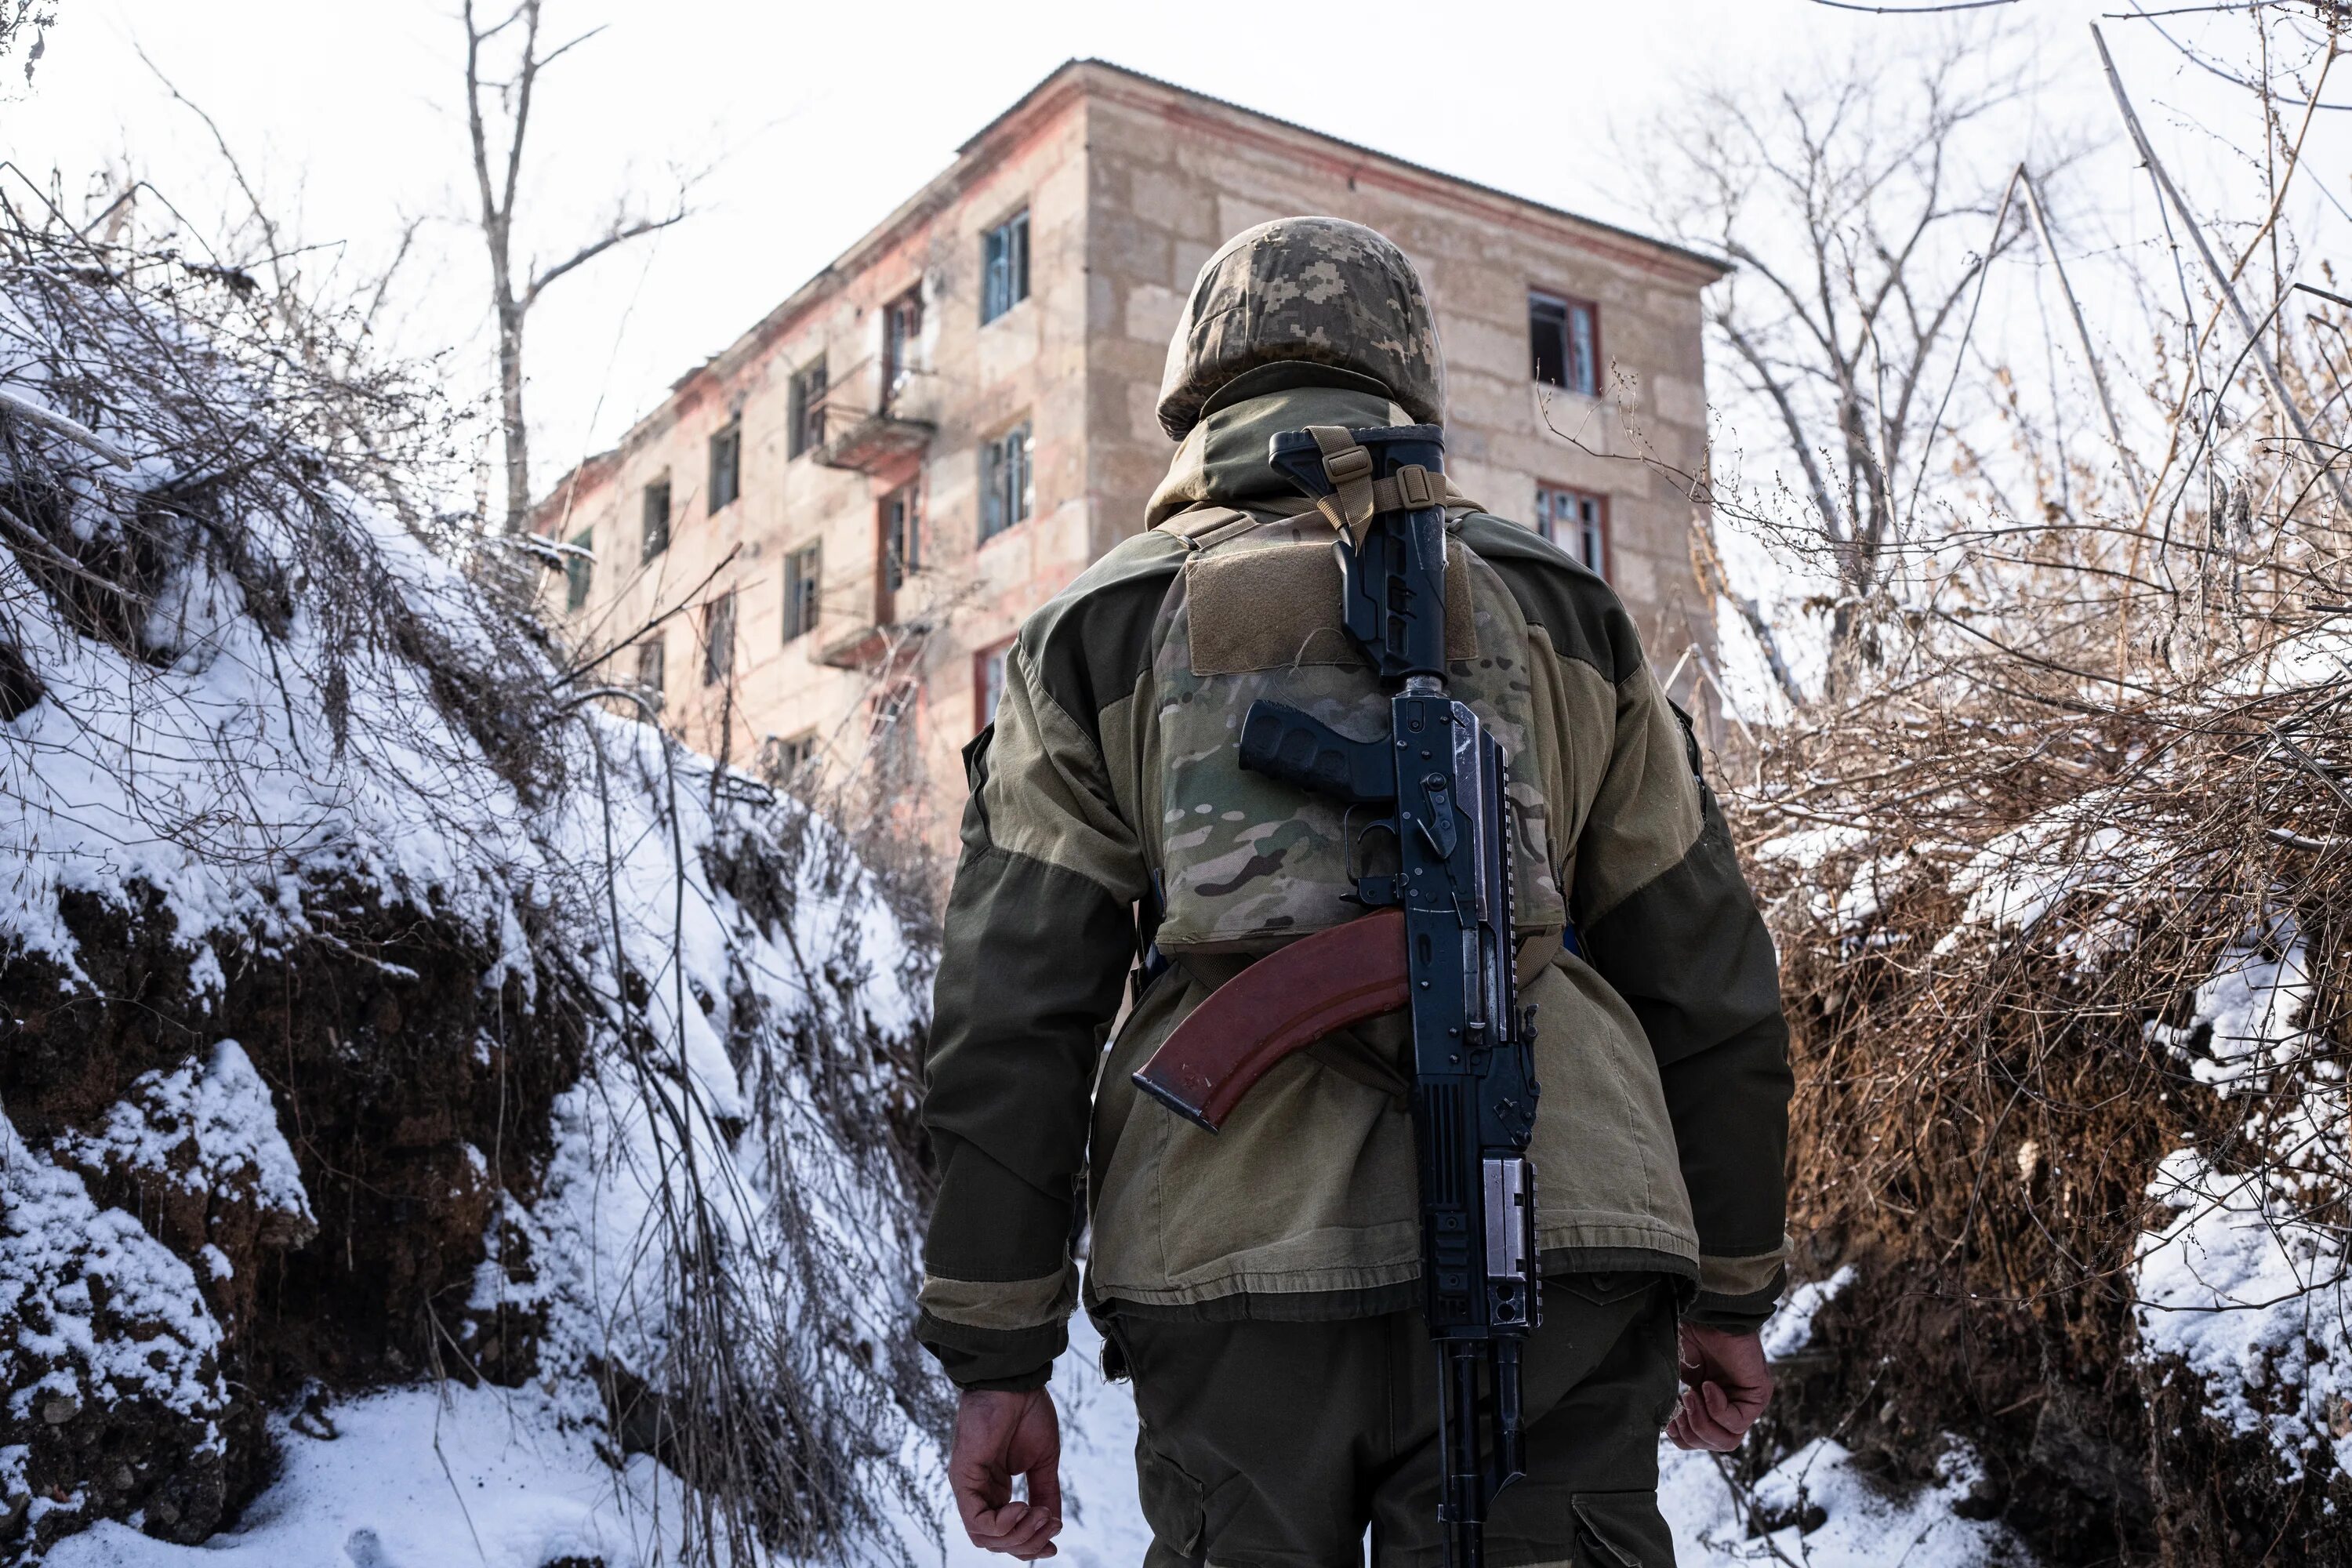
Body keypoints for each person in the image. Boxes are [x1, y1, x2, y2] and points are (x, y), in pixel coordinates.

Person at [918, 216, 1791, 1568]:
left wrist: (997, 1347)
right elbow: (1708, 977)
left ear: (1200, 386)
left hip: (1236, 1266)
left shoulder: (1094, 631)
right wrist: (1730, 1285)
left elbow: (1014, 1005)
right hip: (1565, 1246)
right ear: (1411, 377)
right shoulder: (1568, 613)